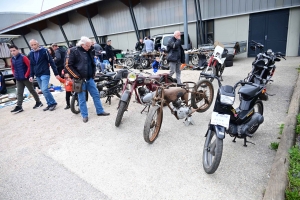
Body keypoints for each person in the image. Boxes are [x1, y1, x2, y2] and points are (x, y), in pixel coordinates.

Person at [65, 36, 110, 123]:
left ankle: (100, 111)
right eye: (88, 45)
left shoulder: (90, 50)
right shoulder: (73, 51)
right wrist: (76, 76)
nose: (90, 47)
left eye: (90, 45)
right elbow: (68, 65)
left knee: (96, 95)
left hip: (90, 78)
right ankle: (84, 115)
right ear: (82, 45)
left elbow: (92, 62)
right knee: (81, 98)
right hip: (79, 80)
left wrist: (93, 73)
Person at [8, 45, 43, 113]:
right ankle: (19, 106)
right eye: (11, 51)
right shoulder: (12, 59)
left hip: (26, 78)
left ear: (18, 50)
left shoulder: (23, 57)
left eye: (14, 50)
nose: (13, 52)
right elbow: (12, 68)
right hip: (18, 79)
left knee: (31, 90)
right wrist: (14, 74)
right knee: (19, 92)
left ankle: (38, 102)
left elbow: (29, 66)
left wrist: (26, 75)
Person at [28, 39, 60, 111]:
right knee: (42, 90)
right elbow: (31, 65)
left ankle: (53, 103)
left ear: (38, 44)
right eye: (32, 45)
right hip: (37, 74)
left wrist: (56, 73)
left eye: (35, 44)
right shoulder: (31, 53)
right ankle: (49, 104)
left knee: (45, 89)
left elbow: (51, 62)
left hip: (45, 73)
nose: (33, 46)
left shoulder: (44, 51)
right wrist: (31, 75)